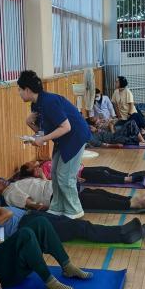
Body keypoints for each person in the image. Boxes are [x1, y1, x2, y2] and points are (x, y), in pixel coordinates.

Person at [17, 70, 90, 220]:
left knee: (65, 176)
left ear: (28, 90)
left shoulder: (49, 102)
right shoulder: (35, 105)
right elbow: (43, 132)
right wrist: (30, 126)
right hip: (63, 138)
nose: (19, 93)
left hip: (75, 136)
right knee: (55, 174)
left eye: (20, 90)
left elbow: (66, 127)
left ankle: (75, 210)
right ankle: (57, 207)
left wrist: (42, 139)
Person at [0, 202, 145, 245]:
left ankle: (122, 231)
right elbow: (7, 214)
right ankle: (124, 235)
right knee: (80, 228)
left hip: (32, 217)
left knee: (77, 225)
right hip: (29, 228)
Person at [0, 175, 145, 214]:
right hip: (55, 197)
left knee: (98, 192)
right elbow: (29, 203)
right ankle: (135, 204)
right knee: (95, 200)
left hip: (58, 188)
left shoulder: (15, 183)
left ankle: (131, 199)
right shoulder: (9, 194)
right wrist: (51, 208)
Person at [24, 158, 145, 186]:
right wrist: (75, 179)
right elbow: (58, 179)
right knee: (103, 175)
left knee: (105, 168)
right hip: (79, 175)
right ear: (32, 174)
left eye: (33, 166)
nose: (36, 168)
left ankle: (127, 175)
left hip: (80, 168)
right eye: (33, 170)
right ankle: (129, 180)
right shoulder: (44, 176)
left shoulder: (44, 164)